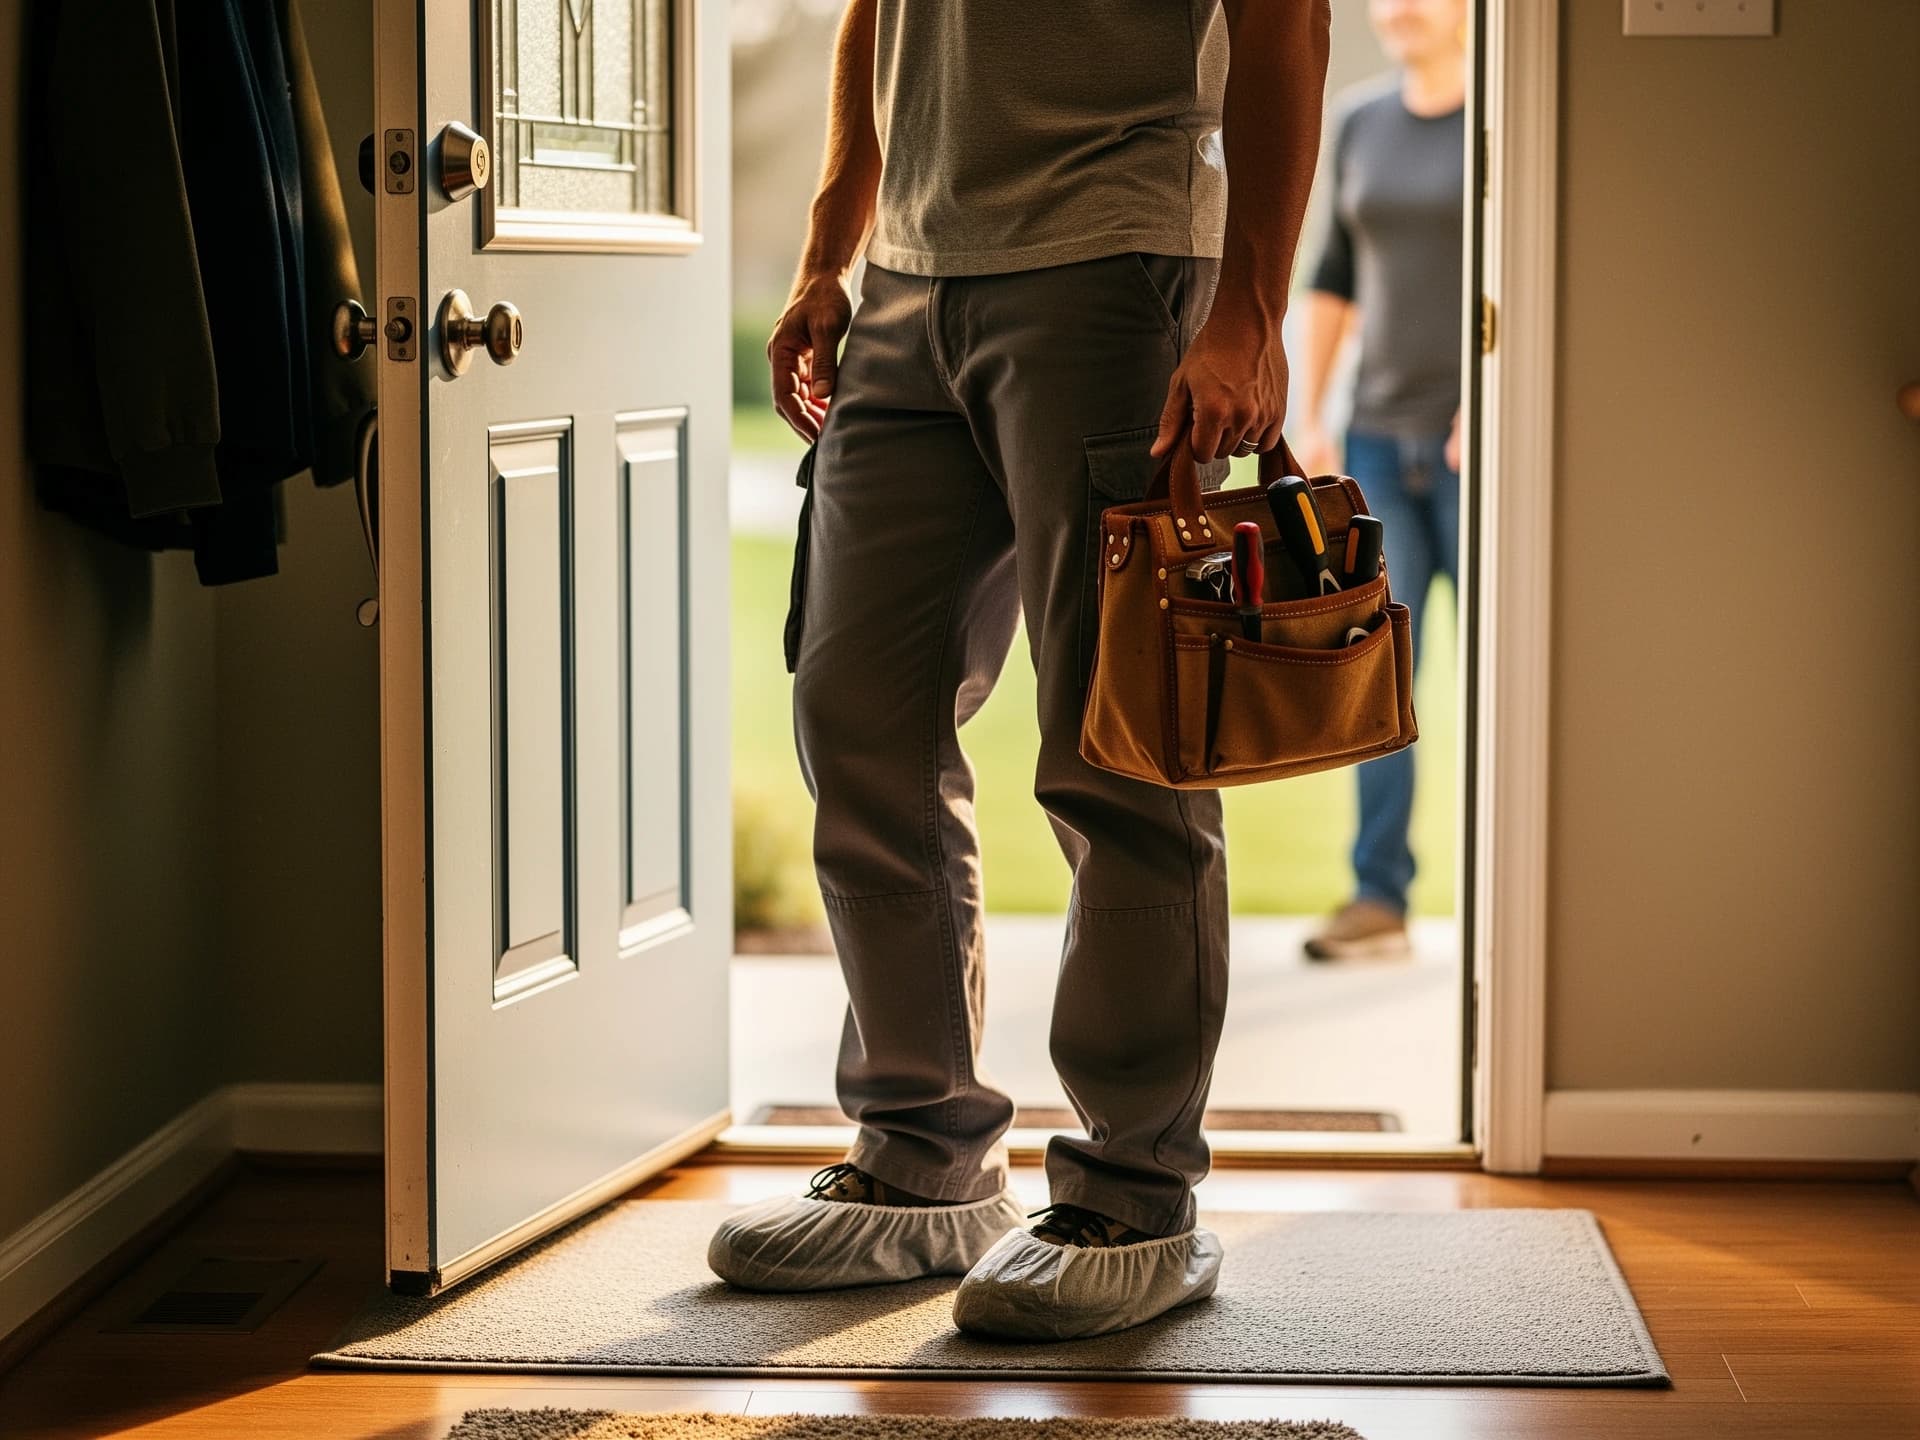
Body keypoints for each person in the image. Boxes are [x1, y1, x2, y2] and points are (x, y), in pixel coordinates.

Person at [705, 0, 1332, 1340]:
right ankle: (919, 1159)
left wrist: (1249, 313)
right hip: (908, 287)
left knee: (1122, 746)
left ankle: (1134, 1188)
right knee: (854, 710)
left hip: (1112, 264)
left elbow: (1288, 29)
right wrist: (831, 253)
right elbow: (876, 18)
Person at [1294, 0, 1467, 962]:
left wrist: (1497, 402)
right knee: (1378, 669)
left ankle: (1509, 896)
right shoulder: (1360, 119)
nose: (1398, 8)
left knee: (1508, 676)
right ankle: (1379, 900)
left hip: (1471, 448)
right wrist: (1310, 413)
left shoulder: (1504, 118)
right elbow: (1333, 272)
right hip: (1373, 447)